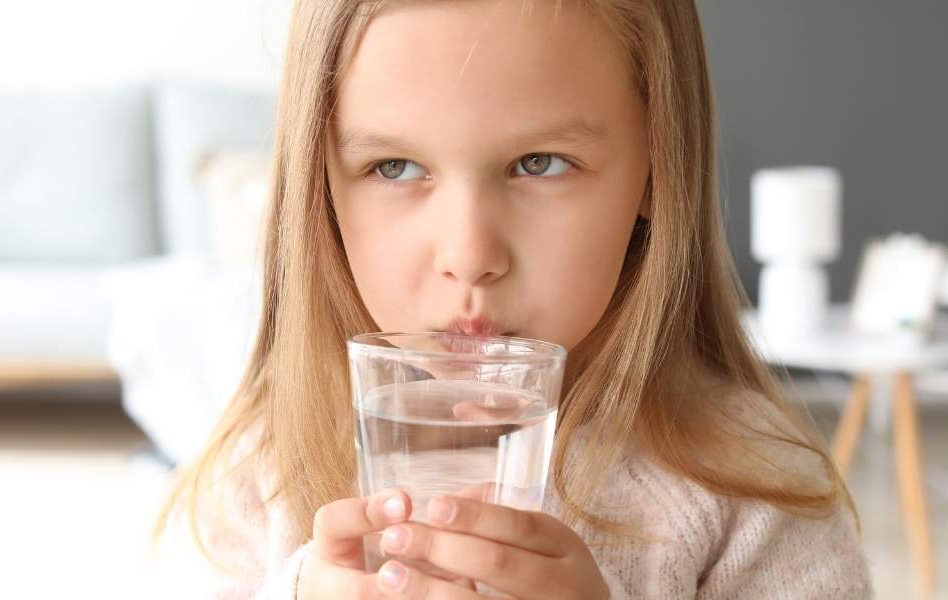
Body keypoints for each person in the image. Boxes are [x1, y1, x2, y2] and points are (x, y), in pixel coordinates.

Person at [151, 0, 872, 597]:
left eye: (540, 163)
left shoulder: (756, 494)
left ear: (657, 169)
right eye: (394, 166)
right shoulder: (255, 483)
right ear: (320, 191)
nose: (469, 255)